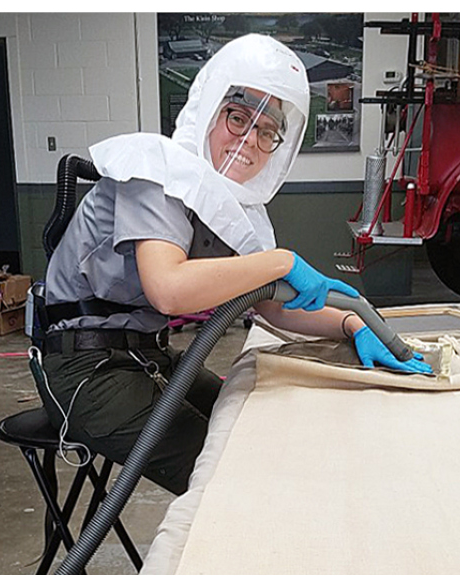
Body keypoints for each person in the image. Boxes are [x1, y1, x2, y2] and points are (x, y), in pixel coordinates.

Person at [35, 34, 432, 495]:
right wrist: (280, 262)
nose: (250, 139)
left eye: (267, 131)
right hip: (85, 368)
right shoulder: (158, 173)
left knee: (249, 420)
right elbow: (168, 288)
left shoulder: (236, 210)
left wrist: (351, 325)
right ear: (209, 106)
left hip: (144, 353)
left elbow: (273, 308)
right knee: (230, 473)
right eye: (238, 117)